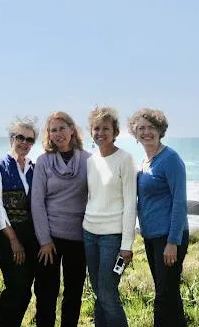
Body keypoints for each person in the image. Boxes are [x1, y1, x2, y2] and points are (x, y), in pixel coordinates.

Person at [127, 108, 189, 327]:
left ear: (160, 130)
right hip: (152, 237)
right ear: (134, 133)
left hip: (169, 238)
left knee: (163, 295)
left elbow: (180, 203)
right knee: (169, 293)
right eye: (141, 128)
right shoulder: (143, 161)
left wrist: (173, 242)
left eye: (151, 127)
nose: (146, 132)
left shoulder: (170, 159)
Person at [31, 111, 91, 327]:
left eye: (62, 128)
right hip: (50, 240)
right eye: (53, 130)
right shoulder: (43, 161)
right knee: (46, 294)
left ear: (72, 129)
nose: (58, 134)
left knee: (73, 294)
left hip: (79, 238)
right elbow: (37, 202)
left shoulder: (88, 160)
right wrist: (45, 240)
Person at [83, 107, 137, 327]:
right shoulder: (90, 161)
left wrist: (126, 245)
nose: (100, 132)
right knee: (99, 294)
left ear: (115, 131)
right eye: (96, 128)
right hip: (89, 234)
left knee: (108, 294)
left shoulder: (125, 159)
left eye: (106, 128)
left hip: (112, 238)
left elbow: (130, 204)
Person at [0, 116, 40, 327]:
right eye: (20, 137)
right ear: (11, 139)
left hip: (31, 236)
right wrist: (13, 239)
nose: (25, 143)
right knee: (15, 286)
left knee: (26, 288)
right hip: (7, 236)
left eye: (30, 140)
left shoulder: (33, 168)